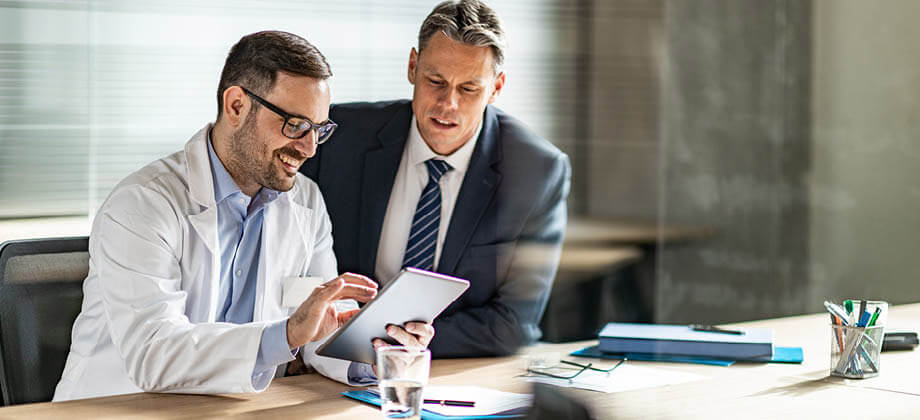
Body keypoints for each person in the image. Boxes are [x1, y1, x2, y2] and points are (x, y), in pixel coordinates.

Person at [53, 31, 433, 402]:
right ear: (236, 105)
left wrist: (377, 350)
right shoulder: (143, 204)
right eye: (296, 125)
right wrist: (284, 335)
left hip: (233, 409)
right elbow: (155, 353)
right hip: (115, 407)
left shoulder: (307, 203)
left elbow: (316, 332)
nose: (309, 148)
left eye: (319, 130)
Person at [301, 0, 571, 357]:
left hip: (449, 371)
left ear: (497, 87)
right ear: (413, 66)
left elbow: (514, 323)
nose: (448, 104)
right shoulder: (339, 138)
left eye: (469, 89)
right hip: (328, 361)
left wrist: (410, 341)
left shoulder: (537, 171)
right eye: (435, 81)